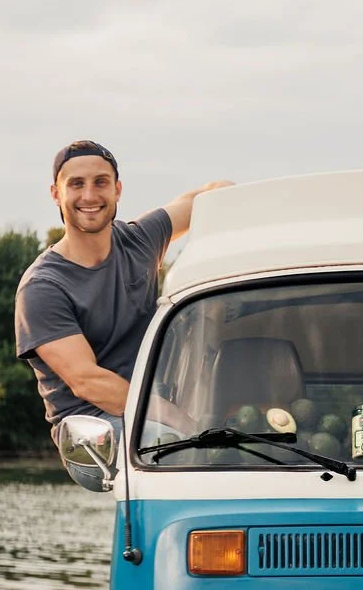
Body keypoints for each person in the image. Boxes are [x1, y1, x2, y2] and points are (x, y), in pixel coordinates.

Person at [15, 139, 231, 434]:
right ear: (56, 194)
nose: (89, 195)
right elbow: (87, 381)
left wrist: (232, 195)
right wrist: (176, 419)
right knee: (176, 447)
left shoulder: (139, 241)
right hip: (92, 426)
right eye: (76, 184)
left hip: (156, 408)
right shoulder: (43, 287)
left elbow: (204, 198)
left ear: (117, 189)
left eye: (100, 182)